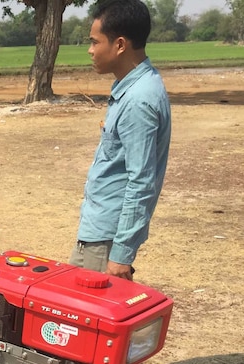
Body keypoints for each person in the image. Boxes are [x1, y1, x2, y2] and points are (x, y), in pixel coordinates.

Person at [70, 0, 171, 281]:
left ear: (120, 45)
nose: (90, 51)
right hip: (99, 232)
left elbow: (141, 181)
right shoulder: (134, 86)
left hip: (106, 243)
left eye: (94, 42)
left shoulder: (139, 100)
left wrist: (121, 254)